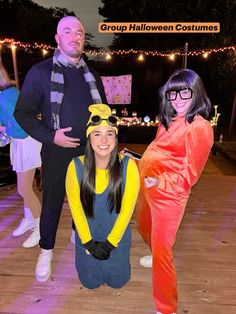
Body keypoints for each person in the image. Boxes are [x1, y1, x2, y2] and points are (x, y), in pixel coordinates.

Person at [14, 16, 107, 282]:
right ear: (57, 38)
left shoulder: (93, 76)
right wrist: (51, 137)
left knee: (86, 198)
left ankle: (81, 235)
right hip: (56, 152)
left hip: (88, 153)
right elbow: (23, 113)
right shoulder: (41, 72)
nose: (74, 36)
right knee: (52, 202)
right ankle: (46, 250)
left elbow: (102, 113)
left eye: (79, 32)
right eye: (67, 31)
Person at [136, 69, 214, 314]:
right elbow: (160, 150)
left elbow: (189, 176)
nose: (178, 99)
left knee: (163, 251)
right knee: (144, 227)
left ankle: (166, 307)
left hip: (169, 196)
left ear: (196, 92)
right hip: (149, 186)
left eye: (184, 92)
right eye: (172, 94)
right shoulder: (169, 119)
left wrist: (159, 183)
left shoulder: (199, 128)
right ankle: (156, 252)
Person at [65, 104, 140, 288]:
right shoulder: (75, 167)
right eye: (97, 133)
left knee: (118, 282)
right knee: (89, 283)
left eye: (110, 133)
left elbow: (126, 212)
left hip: (117, 241)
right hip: (86, 241)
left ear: (116, 137)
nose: (104, 140)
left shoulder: (128, 167)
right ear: (89, 137)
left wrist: (109, 244)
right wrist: (89, 244)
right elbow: (76, 209)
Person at [0, 63, 42, 248]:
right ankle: (29, 218)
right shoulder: (6, 93)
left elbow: (20, 126)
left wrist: (3, 128)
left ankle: (41, 229)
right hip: (21, 142)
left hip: (26, 141)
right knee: (25, 185)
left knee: (24, 189)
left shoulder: (7, 95)